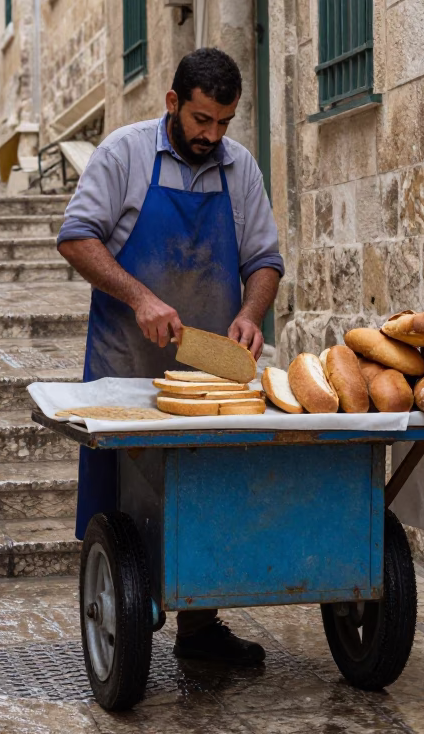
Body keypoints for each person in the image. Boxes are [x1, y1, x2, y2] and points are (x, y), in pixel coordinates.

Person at [57, 48, 283, 666]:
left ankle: (201, 628)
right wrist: (139, 296)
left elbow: (263, 260)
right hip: (124, 366)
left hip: (207, 377)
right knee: (123, 500)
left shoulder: (241, 170)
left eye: (224, 123)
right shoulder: (124, 154)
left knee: (205, 496)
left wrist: (249, 315)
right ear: (172, 103)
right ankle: (125, 611)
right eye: (202, 120)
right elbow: (76, 237)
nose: (212, 136)